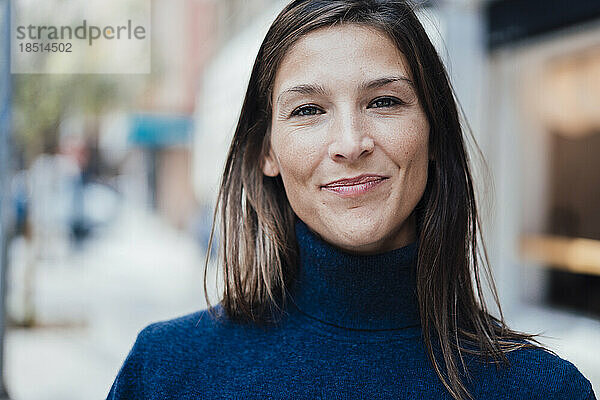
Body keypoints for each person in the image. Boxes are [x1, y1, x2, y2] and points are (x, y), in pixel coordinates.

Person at [107, 1, 596, 399]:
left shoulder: (544, 390)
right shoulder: (165, 372)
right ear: (266, 152)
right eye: (308, 110)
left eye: (384, 101)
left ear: (432, 135)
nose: (349, 142)